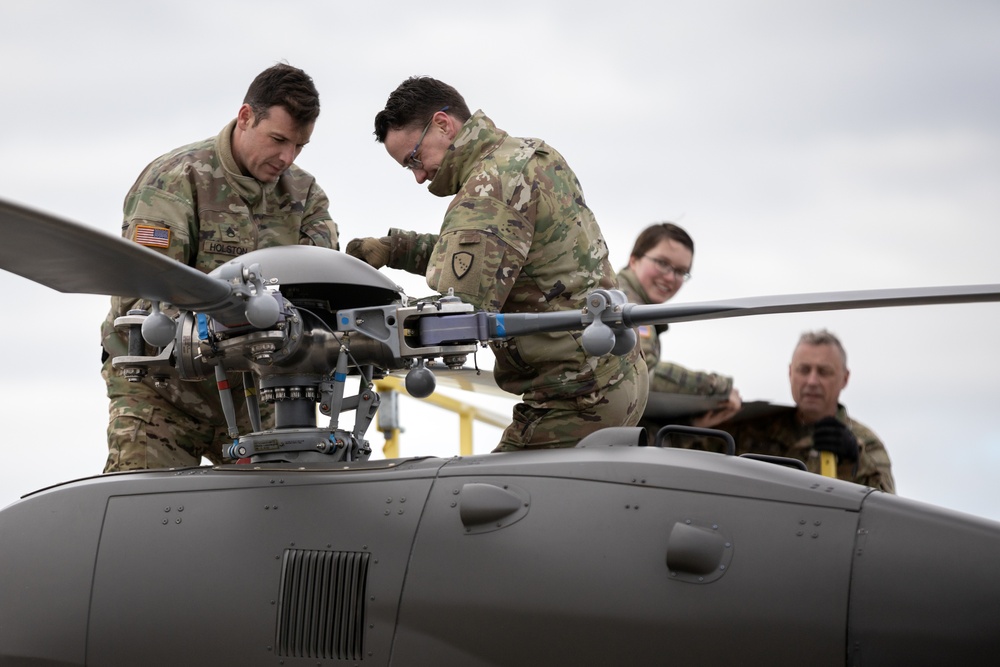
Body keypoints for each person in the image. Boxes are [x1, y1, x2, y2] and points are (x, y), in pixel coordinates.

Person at [347, 76, 647, 452]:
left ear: (443, 125)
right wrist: (396, 248)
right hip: (614, 375)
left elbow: (457, 315)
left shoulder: (489, 187)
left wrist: (356, 336)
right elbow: (497, 259)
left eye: (414, 159)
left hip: (575, 398)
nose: (419, 176)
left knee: (480, 501)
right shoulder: (530, 154)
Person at [100, 63, 338, 472]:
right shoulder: (175, 180)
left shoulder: (304, 195)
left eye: (299, 146)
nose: (286, 157)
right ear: (246, 117)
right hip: (164, 393)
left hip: (255, 392)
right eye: (278, 139)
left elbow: (318, 291)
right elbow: (141, 305)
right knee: (141, 514)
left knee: (292, 510)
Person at [717, 330, 895, 492]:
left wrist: (854, 460)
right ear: (790, 373)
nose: (812, 381)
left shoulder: (865, 444)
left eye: (824, 372)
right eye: (804, 370)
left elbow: (887, 508)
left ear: (845, 378)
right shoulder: (750, 427)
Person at [618, 222, 741, 429]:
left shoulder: (632, 304)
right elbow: (644, 373)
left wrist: (691, 424)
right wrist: (718, 387)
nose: (670, 277)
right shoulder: (625, 305)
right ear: (634, 260)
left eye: (681, 271)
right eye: (662, 263)